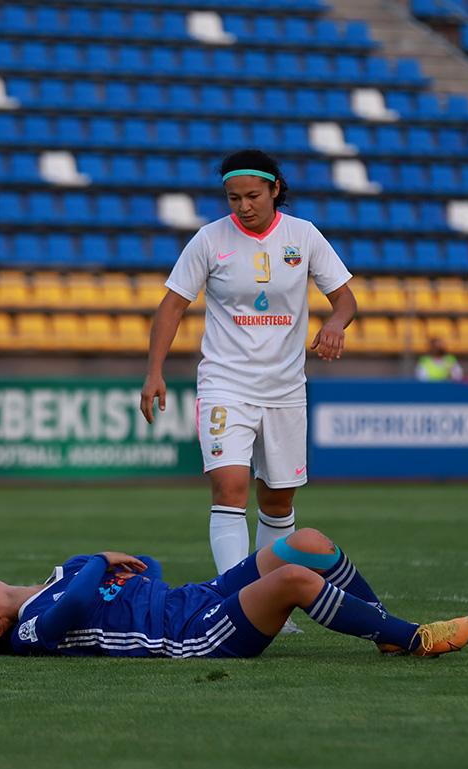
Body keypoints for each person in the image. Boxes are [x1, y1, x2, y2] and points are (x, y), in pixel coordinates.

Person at [139, 150, 359, 626]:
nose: (242, 206)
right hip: (225, 383)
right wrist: (154, 371)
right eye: (233, 197)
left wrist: (336, 324)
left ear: (275, 188)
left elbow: (345, 298)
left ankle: (274, 602)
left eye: (252, 195)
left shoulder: (303, 236)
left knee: (277, 500)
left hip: (284, 388)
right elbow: (171, 306)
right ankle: (233, 603)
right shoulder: (209, 239)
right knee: (230, 487)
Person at [0, 526, 468, 659]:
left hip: (192, 598)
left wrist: (101, 564)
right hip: (188, 635)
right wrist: (101, 560)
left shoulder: (67, 571)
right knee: (294, 582)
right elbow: (78, 605)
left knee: (309, 545)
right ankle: (413, 638)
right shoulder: (26, 634)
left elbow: (151, 570)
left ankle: (381, 626)